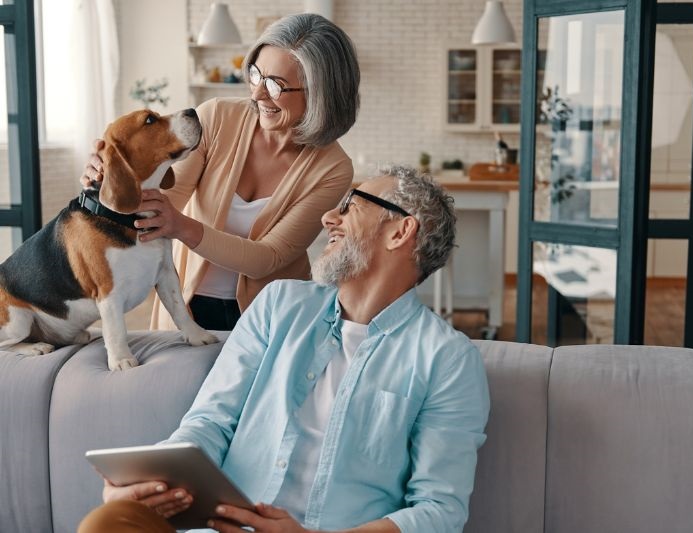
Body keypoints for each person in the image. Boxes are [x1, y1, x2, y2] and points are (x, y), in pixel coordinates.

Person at [78, 166, 491, 533]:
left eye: (350, 206)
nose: (330, 217)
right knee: (109, 521)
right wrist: (149, 480)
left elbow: (439, 511)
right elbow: (211, 421)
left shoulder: (447, 358)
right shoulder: (279, 305)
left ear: (401, 231)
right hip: (221, 523)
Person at [82, 13, 360, 331]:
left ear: (320, 93)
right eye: (256, 75)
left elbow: (267, 258)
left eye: (275, 85)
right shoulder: (216, 117)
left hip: (271, 319)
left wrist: (182, 226)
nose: (256, 95)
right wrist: (112, 173)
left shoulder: (334, 169)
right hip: (187, 305)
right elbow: (161, 200)